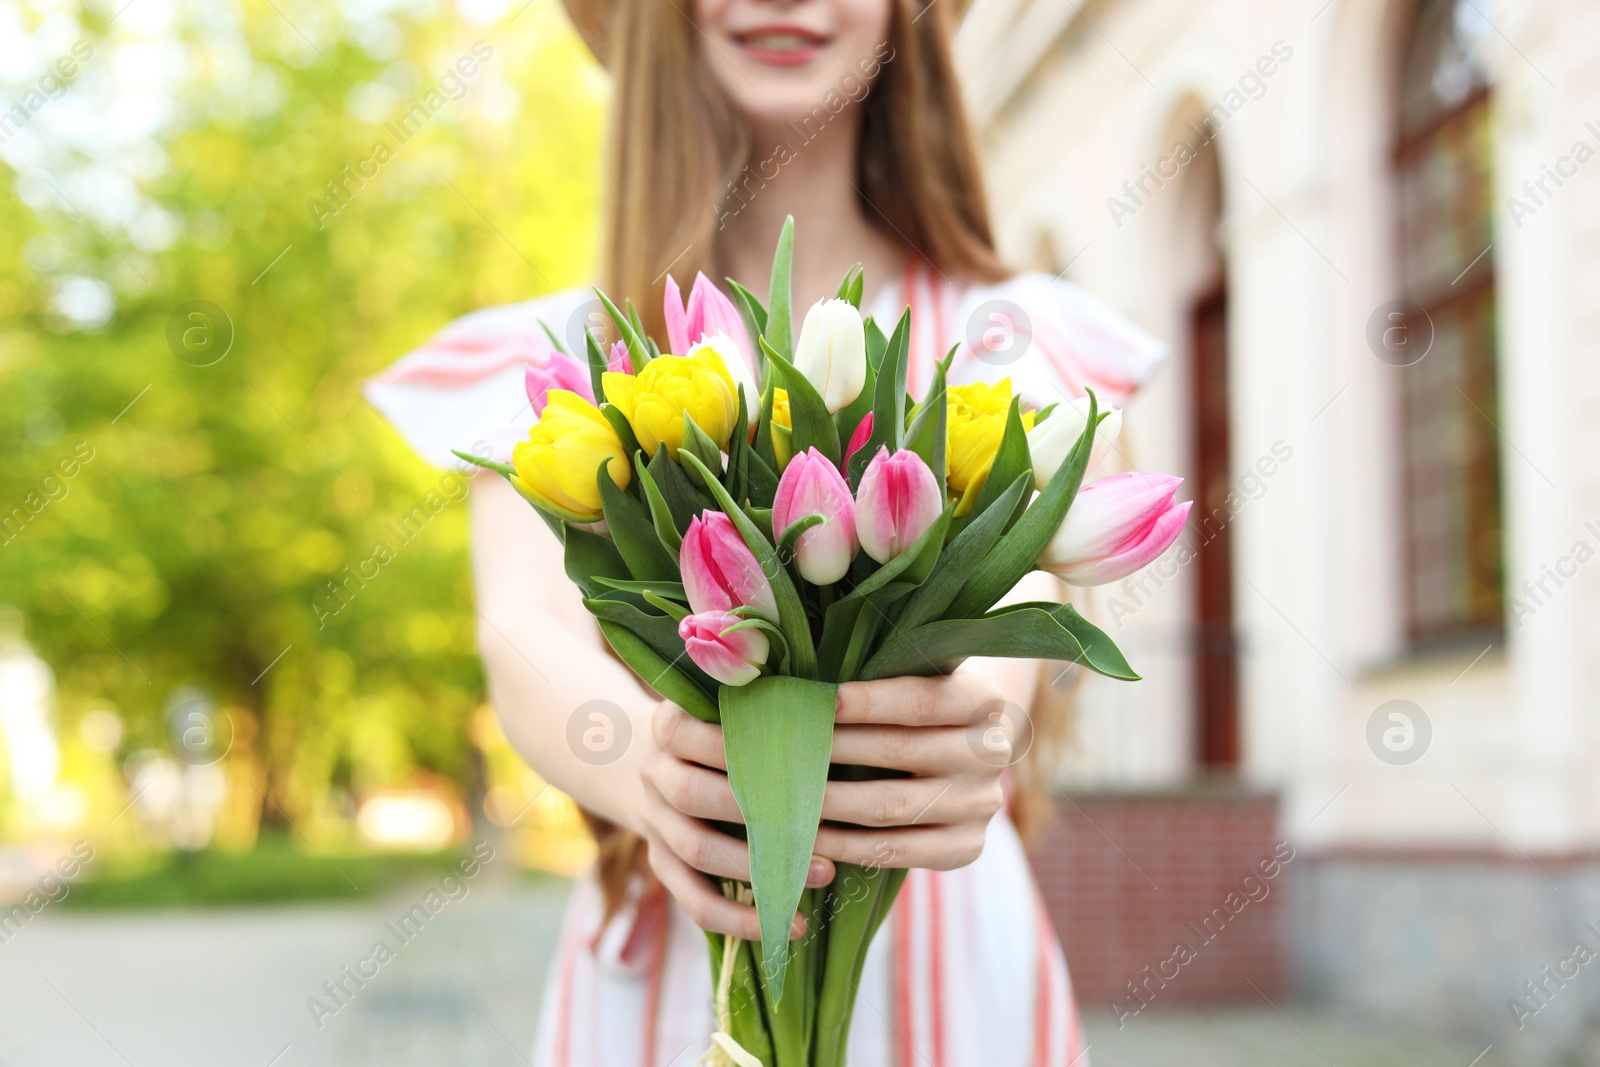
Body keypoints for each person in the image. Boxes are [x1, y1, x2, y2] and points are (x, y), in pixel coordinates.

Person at [367, 0, 1166, 1061]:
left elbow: (1022, 594)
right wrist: (655, 775)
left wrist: (976, 727)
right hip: (665, 932)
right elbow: (523, 631)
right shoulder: (572, 353)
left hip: (948, 955)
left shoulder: (1013, 338)